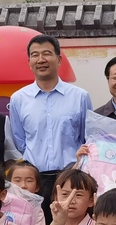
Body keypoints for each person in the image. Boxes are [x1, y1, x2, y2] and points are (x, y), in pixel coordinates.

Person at [10, 35, 93, 206]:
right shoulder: (18, 99)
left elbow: (87, 139)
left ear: (59, 59)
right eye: (35, 55)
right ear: (29, 62)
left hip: (70, 178)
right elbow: (20, 142)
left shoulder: (80, 96)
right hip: (34, 181)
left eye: (47, 53)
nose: (41, 60)